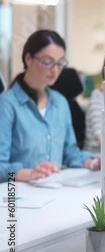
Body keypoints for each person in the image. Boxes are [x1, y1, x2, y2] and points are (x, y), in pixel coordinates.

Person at [0, 30, 99, 183]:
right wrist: (27, 173)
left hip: (53, 190)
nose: (55, 69)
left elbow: (70, 152)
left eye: (60, 63)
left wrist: (93, 162)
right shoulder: (7, 104)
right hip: (16, 195)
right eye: (47, 62)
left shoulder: (60, 102)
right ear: (28, 58)